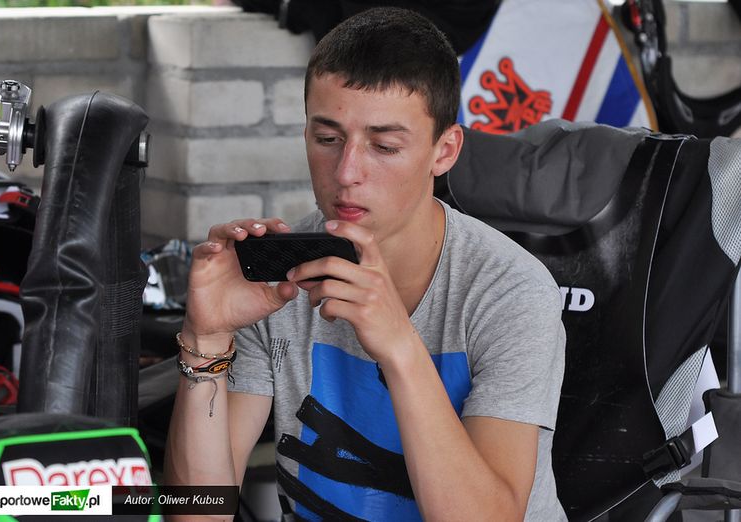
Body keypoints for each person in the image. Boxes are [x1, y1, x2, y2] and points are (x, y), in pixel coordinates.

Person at [164, 7, 567, 521]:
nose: (347, 172)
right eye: (327, 139)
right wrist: (205, 340)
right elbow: (198, 513)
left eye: (385, 146)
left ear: (444, 151)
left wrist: (399, 345)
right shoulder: (277, 280)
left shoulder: (510, 292)